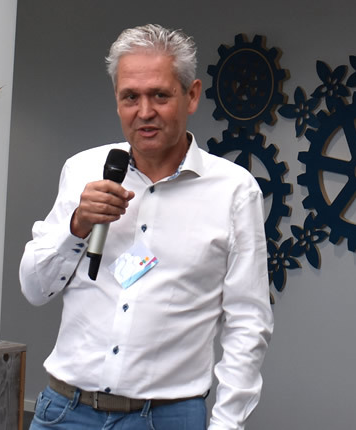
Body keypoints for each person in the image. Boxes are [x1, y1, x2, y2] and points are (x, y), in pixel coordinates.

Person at [20, 23, 273, 430]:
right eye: (130, 97)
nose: (144, 112)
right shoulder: (83, 169)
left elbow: (248, 322)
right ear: (117, 100)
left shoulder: (234, 191)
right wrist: (77, 225)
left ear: (192, 95)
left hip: (165, 418)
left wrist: (227, 424)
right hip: (65, 412)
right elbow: (35, 289)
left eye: (160, 95)